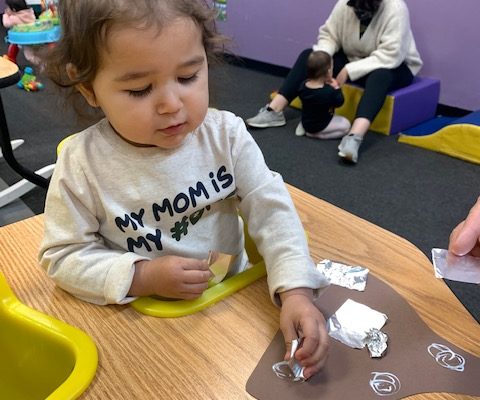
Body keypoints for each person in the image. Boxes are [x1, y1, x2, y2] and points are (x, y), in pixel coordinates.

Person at [38, 0, 330, 379]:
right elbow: (62, 256)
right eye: (140, 89)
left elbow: (271, 208)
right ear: (88, 88)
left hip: (233, 302)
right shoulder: (82, 165)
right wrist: (142, 276)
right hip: (144, 328)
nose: (172, 105)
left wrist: (296, 293)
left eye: (189, 77)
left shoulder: (226, 136)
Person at [246, 0, 422, 164]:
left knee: (381, 76)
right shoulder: (345, 3)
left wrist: (348, 70)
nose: (360, 13)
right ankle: (274, 110)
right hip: (355, 57)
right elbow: (329, 36)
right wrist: (325, 60)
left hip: (394, 65)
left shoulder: (396, 8)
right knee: (310, 55)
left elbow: (390, 55)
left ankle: (354, 137)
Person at [295, 50, 350, 139]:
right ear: (328, 72)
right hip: (322, 124)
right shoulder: (328, 91)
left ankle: (305, 127)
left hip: (307, 121)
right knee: (346, 126)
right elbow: (340, 102)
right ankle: (316, 135)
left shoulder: (303, 85)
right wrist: (336, 88)